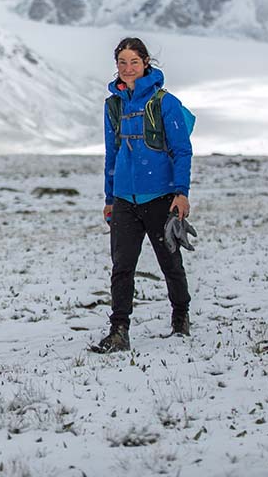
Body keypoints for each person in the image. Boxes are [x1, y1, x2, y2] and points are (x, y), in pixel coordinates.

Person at [94, 37, 193, 353]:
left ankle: (180, 317)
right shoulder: (114, 105)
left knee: (169, 262)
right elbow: (113, 154)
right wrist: (110, 198)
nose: (127, 68)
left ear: (146, 63)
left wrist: (181, 193)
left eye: (133, 62)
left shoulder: (166, 103)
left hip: (160, 197)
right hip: (124, 199)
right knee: (122, 266)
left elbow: (182, 150)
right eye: (122, 63)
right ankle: (119, 330)